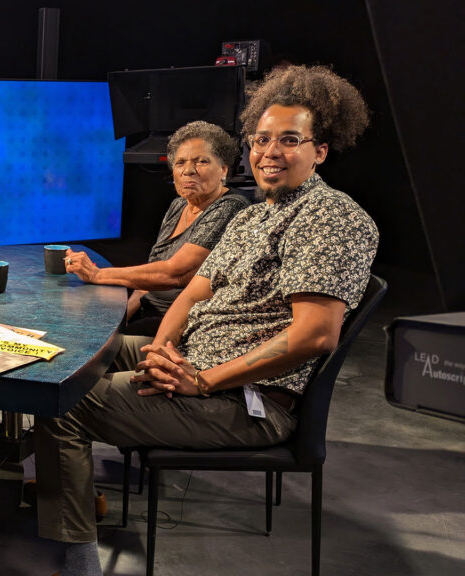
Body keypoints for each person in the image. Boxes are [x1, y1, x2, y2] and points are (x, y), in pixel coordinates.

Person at [34, 65, 378, 576]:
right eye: (261, 140)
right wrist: (160, 347)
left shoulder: (331, 217)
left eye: (289, 140)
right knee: (68, 352)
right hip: (192, 360)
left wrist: (201, 381)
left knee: (65, 403)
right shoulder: (256, 213)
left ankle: (78, 558)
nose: (269, 152)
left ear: (320, 150)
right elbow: (194, 290)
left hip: (244, 399)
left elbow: (314, 334)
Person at [64, 121, 250, 335]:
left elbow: (174, 273)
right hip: (149, 312)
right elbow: (147, 282)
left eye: (201, 162)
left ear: (223, 170)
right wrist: (121, 324)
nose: (188, 170)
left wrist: (97, 275)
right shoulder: (179, 205)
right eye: (180, 163)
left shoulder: (231, 206)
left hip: (186, 325)